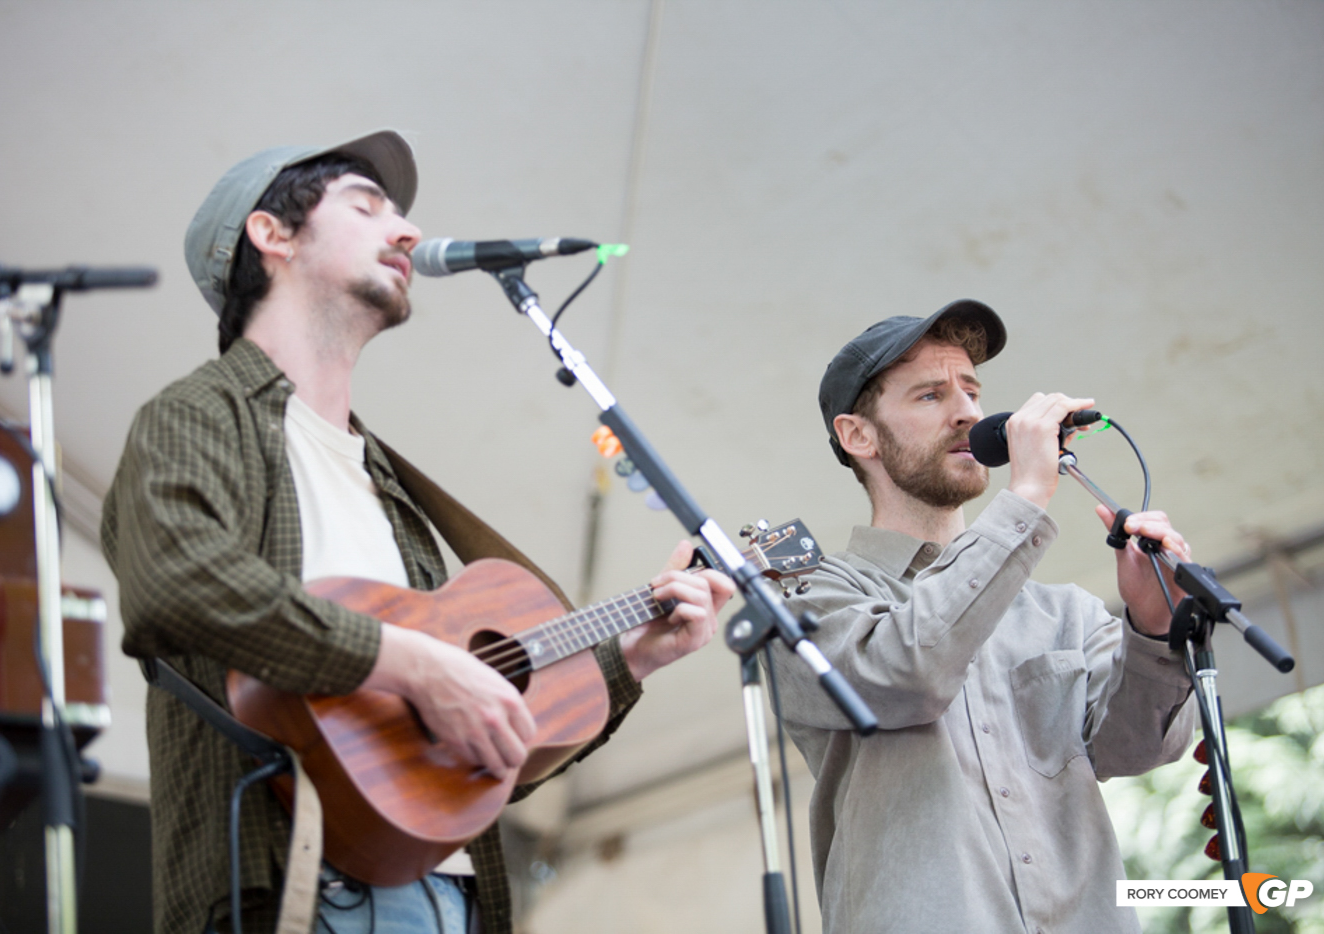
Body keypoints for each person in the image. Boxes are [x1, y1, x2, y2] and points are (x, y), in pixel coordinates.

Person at [100, 129, 733, 934]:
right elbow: (174, 584)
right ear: (272, 234)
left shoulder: (387, 483)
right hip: (292, 888)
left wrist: (635, 658)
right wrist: (415, 664)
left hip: (454, 899)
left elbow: (458, 758)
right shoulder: (200, 416)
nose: (407, 232)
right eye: (367, 207)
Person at [769, 300, 1197, 934]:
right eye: (930, 395)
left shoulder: (1063, 613)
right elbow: (907, 673)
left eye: (972, 389)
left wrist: (1156, 628)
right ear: (858, 436)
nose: (968, 411)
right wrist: (1023, 499)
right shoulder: (804, 595)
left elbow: (1142, 747)